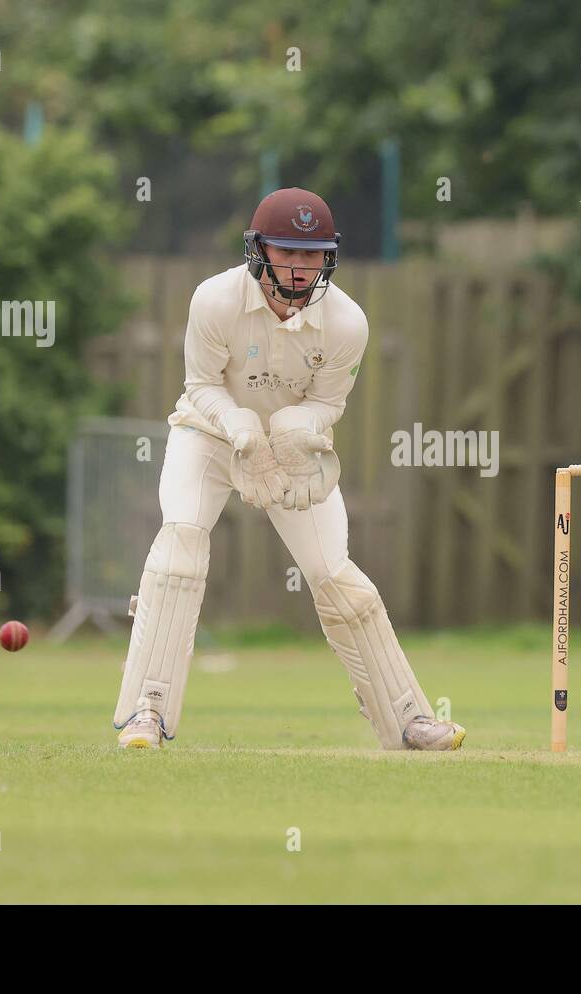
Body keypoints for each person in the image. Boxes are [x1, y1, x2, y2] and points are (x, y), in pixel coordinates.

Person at [113, 188, 466, 752]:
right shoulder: (214, 301)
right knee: (180, 550)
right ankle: (145, 713)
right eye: (287, 253)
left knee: (335, 576)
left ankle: (408, 720)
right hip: (209, 437)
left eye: (313, 255)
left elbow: (330, 404)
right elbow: (200, 386)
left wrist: (294, 428)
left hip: (294, 453)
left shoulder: (347, 322)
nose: (301, 269)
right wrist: (241, 428)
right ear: (259, 251)